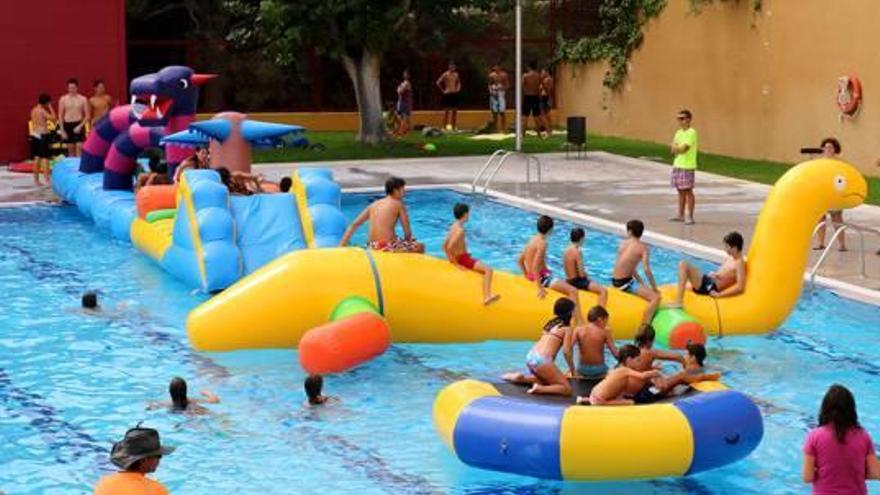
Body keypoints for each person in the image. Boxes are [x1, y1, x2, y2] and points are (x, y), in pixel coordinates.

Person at [803, 384, 880, 493]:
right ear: (851, 409)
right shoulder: (863, 435)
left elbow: (807, 477)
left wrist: (828, 474)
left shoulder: (814, 436)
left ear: (825, 409)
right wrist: (854, 474)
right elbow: (876, 473)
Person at [502, 297, 577, 396]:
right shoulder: (567, 329)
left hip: (530, 356)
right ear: (570, 313)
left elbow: (547, 345)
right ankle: (540, 389)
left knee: (547, 381)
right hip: (542, 360)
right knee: (566, 389)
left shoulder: (550, 324)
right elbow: (567, 351)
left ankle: (520, 378)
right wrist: (573, 371)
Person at [518, 215, 583, 323]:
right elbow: (535, 265)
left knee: (563, 282)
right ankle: (580, 323)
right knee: (573, 291)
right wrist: (539, 287)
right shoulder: (542, 243)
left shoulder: (532, 239)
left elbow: (519, 260)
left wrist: (527, 275)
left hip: (535, 275)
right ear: (551, 230)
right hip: (543, 278)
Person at [339, 177, 425, 253]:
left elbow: (354, 224)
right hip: (387, 246)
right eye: (403, 189)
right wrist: (409, 242)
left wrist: (341, 245)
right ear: (395, 190)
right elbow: (407, 232)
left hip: (372, 245)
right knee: (420, 246)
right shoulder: (398, 204)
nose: (405, 192)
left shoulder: (374, 204)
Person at [443, 203, 500, 305]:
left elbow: (444, 246)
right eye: (468, 213)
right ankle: (487, 296)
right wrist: (456, 264)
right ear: (465, 215)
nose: (469, 215)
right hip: (463, 259)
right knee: (488, 270)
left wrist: (451, 259)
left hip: (462, 257)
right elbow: (450, 247)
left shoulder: (453, 227)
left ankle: (487, 296)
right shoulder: (460, 230)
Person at [671, 231, 746, 307]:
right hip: (709, 282)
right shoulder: (731, 258)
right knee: (681, 280)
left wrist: (720, 295)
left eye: (727, 246)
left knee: (683, 265)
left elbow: (740, 287)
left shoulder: (739, 263)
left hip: (710, 287)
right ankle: (679, 297)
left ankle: (679, 302)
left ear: (735, 247)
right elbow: (727, 275)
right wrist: (717, 275)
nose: (725, 249)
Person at [93, 425, 173, 495]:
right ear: (144, 460)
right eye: (158, 456)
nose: (159, 460)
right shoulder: (157, 489)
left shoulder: (104, 483)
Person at [611, 220, 661, 325]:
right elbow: (646, 269)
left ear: (629, 232)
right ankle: (645, 324)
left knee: (637, 285)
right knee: (656, 298)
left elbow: (629, 267)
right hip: (625, 284)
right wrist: (655, 288)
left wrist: (641, 283)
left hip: (615, 281)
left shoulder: (623, 244)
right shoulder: (643, 247)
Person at [577, 345, 659, 405]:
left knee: (619, 395)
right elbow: (642, 376)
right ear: (629, 360)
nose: (639, 363)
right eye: (637, 360)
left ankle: (585, 399)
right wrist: (654, 372)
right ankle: (600, 403)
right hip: (600, 401)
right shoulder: (625, 370)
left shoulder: (615, 369)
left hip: (594, 393)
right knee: (631, 402)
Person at [813, 138, 848, 252]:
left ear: (835, 149)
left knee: (836, 218)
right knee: (820, 218)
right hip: (821, 194)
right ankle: (821, 243)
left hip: (834, 195)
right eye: (826, 147)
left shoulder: (839, 163)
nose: (828, 149)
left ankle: (842, 244)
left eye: (830, 147)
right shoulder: (819, 163)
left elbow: (842, 179)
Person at [568, 305, 619, 379]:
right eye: (605, 321)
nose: (606, 325)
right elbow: (615, 353)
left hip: (582, 369)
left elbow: (568, 348)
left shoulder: (578, 330)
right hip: (599, 369)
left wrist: (572, 368)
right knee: (613, 371)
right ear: (600, 319)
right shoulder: (605, 331)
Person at [563, 227, 608, 308]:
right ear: (581, 239)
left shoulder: (566, 250)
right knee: (603, 290)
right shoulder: (577, 251)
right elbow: (581, 274)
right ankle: (600, 313)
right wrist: (588, 278)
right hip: (577, 282)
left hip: (568, 281)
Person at [670, 109, 698, 224]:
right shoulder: (678, 133)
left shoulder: (692, 132)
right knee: (680, 190)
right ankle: (680, 215)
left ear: (688, 119)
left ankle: (690, 216)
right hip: (678, 164)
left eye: (682, 118)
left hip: (687, 165)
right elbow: (673, 149)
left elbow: (684, 148)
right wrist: (677, 149)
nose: (680, 121)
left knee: (688, 190)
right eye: (678, 119)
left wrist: (678, 149)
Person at [148, 377, 220, 415]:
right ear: (185, 390)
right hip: (191, 411)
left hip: (172, 412)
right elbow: (215, 401)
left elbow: (150, 407)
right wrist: (207, 392)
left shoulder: (165, 403)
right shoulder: (193, 401)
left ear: (170, 392)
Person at [58, 77, 90, 157]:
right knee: (70, 149)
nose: (71, 90)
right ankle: (72, 169)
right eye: (69, 88)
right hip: (67, 125)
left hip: (78, 124)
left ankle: (78, 168)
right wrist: (62, 130)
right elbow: (60, 116)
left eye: (73, 88)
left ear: (77, 88)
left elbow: (87, 116)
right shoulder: (63, 99)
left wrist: (80, 126)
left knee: (79, 148)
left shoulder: (83, 99)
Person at [30, 93, 56, 185]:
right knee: (45, 158)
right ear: (46, 102)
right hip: (42, 136)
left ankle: (36, 180)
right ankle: (47, 180)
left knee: (37, 158)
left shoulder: (33, 110)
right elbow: (53, 118)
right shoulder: (42, 111)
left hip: (34, 135)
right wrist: (50, 107)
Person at [522, 61, 546, 138]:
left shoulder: (525, 76)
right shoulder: (539, 76)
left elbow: (522, 86)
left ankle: (523, 134)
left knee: (525, 116)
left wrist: (526, 90)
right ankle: (539, 134)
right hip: (535, 97)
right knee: (536, 116)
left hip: (527, 96)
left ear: (529, 67)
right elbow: (541, 86)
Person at [436, 61, 461, 131]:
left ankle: (454, 126)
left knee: (454, 111)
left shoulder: (456, 74)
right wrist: (443, 90)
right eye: (451, 66)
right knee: (446, 111)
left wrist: (458, 88)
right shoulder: (446, 74)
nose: (452, 68)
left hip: (454, 94)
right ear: (449, 67)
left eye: (453, 66)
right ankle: (444, 127)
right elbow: (438, 82)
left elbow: (459, 82)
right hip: (447, 93)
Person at [488, 64, 508, 133]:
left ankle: (504, 128)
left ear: (499, 67)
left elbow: (507, 85)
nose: (495, 68)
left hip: (501, 93)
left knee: (502, 112)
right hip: (493, 94)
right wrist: (491, 91)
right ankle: (495, 129)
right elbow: (489, 84)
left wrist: (502, 88)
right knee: (494, 112)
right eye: (494, 67)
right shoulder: (491, 75)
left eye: (497, 67)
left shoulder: (504, 75)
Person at [395, 69, 413, 137]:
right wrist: (399, 89)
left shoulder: (407, 83)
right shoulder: (404, 83)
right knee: (401, 117)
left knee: (404, 117)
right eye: (404, 74)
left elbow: (400, 91)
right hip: (401, 102)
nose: (405, 75)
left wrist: (399, 88)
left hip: (405, 103)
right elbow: (399, 91)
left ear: (409, 76)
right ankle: (405, 130)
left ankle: (401, 132)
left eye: (407, 74)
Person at [539, 67, 554, 132]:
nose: (541, 73)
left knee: (543, 114)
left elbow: (547, 89)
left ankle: (548, 129)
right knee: (547, 114)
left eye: (543, 72)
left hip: (545, 97)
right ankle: (549, 128)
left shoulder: (547, 80)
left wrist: (542, 83)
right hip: (546, 97)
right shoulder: (549, 79)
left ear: (546, 72)